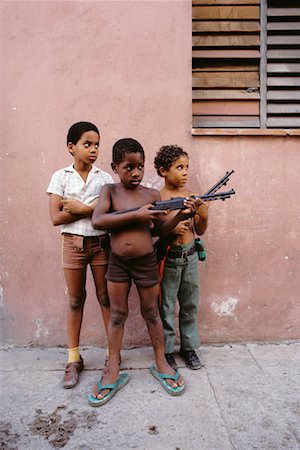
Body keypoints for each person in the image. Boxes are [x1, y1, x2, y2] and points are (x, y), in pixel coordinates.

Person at [88, 138, 195, 406]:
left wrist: (180, 216)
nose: (135, 173)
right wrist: (135, 216)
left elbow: (159, 231)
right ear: (115, 167)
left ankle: (161, 362)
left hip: (147, 261)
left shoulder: (151, 195)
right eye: (128, 167)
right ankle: (113, 367)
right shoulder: (109, 191)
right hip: (118, 263)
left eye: (140, 167)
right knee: (117, 314)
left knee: (152, 312)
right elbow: (98, 220)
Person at [47, 121, 113, 388]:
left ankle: (112, 355)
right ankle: (73, 358)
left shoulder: (105, 179)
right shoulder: (60, 177)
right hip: (72, 244)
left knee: (105, 297)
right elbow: (55, 217)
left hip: (100, 244)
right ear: (71, 147)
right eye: (87, 144)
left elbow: (106, 214)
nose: (93, 149)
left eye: (97, 145)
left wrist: (80, 207)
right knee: (76, 300)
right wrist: (91, 208)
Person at [154, 144, 209, 371]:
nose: (185, 172)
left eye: (187, 167)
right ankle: (166, 350)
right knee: (165, 305)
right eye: (179, 167)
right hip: (169, 258)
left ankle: (189, 348)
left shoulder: (191, 197)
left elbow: (201, 230)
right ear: (163, 171)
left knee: (190, 304)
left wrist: (203, 213)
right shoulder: (158, 197)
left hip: (190, 257)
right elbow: (155, 230)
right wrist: (174, 226)